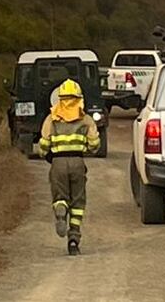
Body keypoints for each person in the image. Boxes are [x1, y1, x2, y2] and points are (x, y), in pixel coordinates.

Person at [38, 78, 100, 255]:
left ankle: (60, 207)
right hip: (78, 162)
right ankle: (73, 240)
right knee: (78, 202)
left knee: (60, 195)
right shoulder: (86, 119)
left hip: (57, 163)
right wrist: (87, 149)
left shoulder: (51, 119)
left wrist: (47, 154)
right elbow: (95, 144)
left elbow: (43, 145)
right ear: (79, 98)